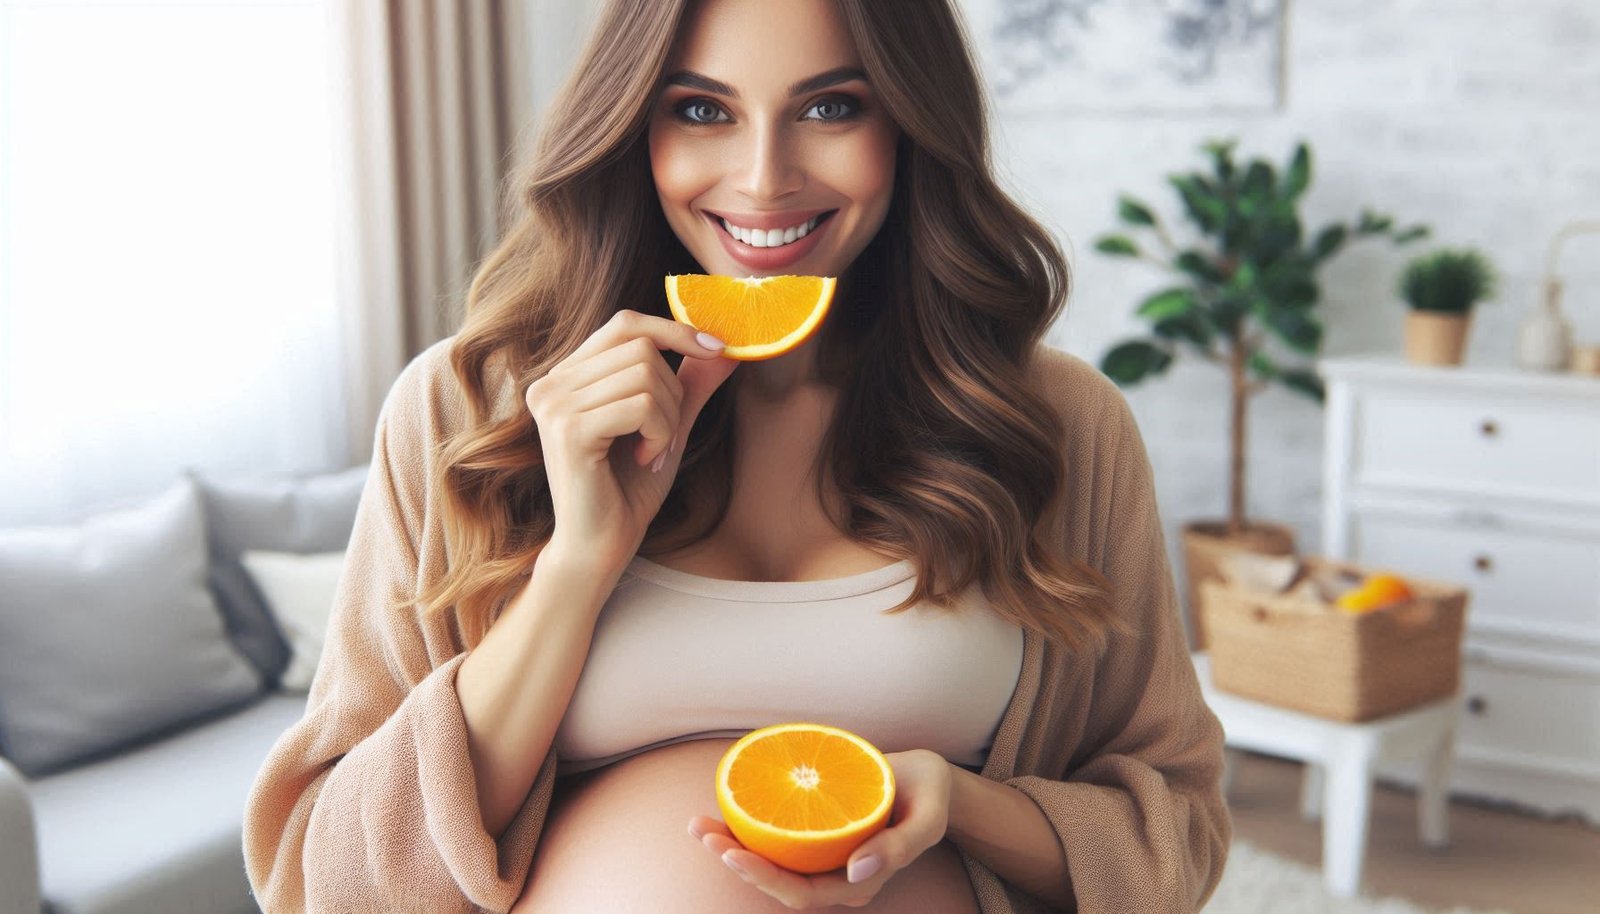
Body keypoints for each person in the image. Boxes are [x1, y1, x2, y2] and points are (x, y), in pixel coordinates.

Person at [242, 0, 1231, 910]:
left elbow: (1174, 821)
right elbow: (327, 874)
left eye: (832, 106)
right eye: (702, 111)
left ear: (910, 125)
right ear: (634, 127)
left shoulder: (1056, 424)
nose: (764, 177)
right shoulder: (468, 410)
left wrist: (960, 802)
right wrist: (577, 566)